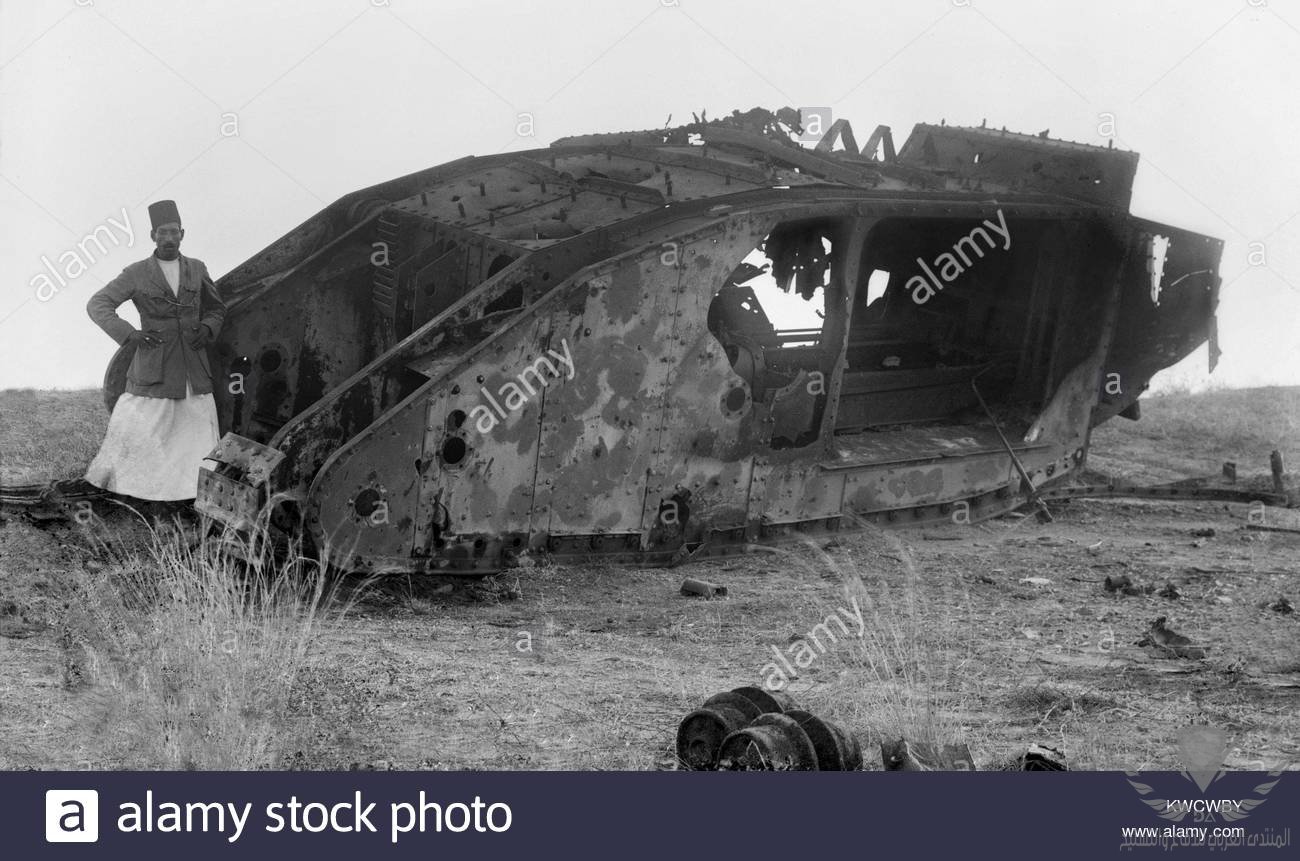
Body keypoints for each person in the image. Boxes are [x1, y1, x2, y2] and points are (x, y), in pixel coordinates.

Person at [82, 199, 226, 512]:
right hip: (154, 364)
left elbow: (217, 307)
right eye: (163, 232)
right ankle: (133, 491)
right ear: (152, 236)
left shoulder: (198, 268)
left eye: (174, 232)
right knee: (144, 423)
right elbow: (98, 303)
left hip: (193, 364)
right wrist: (128, 334)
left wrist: (208, 327)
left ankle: (190, 494)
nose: (169, 238)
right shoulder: (135, 273)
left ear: (183, 234)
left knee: (197, 424)